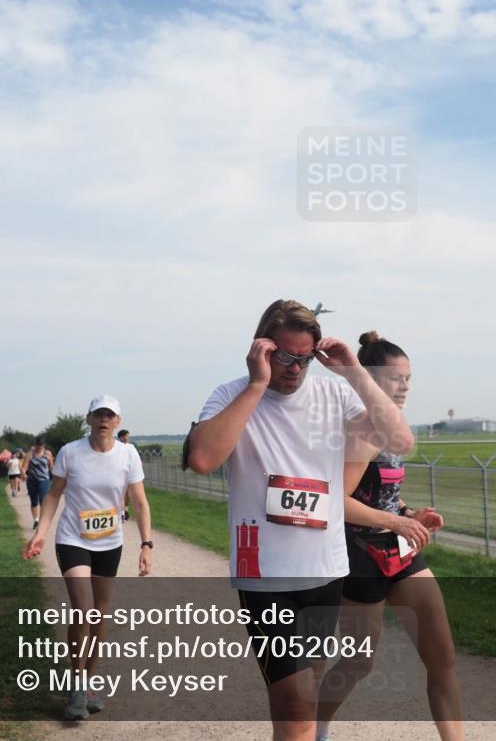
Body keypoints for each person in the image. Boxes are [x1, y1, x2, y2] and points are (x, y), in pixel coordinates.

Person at [187, 300, 414, 741]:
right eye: (283, 356)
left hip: (324, 572)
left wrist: (353, 372)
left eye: (304, 358)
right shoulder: (231, 393)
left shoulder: (335, 393)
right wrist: (256, 385)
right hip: (266, 576)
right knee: (294, 708)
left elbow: (399, 439)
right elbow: (201, 458)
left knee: (303, 703)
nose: (293, 368)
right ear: (261, 347)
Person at [316, 333, 462, 741]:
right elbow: (334, 502)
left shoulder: (394, 430)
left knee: (442, 656)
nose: (406, 387)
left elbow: (384, 495)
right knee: (359, 663)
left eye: (409, 379)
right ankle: (316, 725)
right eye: (398, 379)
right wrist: (395, 522)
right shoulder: (361, 430)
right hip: (359, 554)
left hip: (400, 552)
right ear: (371, 380)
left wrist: (410, 514)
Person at [23, 395, 152, 720]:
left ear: (118, 422)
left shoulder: (128, 454)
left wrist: (146, 544)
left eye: (110, 415)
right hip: (72, 538)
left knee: (100, 616)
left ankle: (89, 680)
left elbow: (139, 501)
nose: (104, 420)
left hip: (109, 542)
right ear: (89, 419)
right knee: (84, 610)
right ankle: (77, 682)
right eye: (99, 414)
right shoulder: (71, 452)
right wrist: (41, 532)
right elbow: (53, 495)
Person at [21, 436, 53, 531]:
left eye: (41, 446)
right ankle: (36, 520)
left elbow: (52, 467)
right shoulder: (30, 454)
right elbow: (24, 467)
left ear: (44, 445)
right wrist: (23, 474)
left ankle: (43, 522)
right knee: (34, 501)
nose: (39, 447)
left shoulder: (48, 454)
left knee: (43, 500)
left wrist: (57, 476)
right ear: (35, 445)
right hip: (32, 480)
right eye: (38, 445)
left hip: (44, 480)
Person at [118, 429, 133, 521]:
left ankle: (126, 510)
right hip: (120, 471)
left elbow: (135, 457)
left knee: (128, 493)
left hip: (129, 471)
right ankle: (121, 512)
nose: (128, 438)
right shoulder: (117, 446)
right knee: (121, 492)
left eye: (128, 436)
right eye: (126, 436)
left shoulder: (131, 446)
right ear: (121, 437)